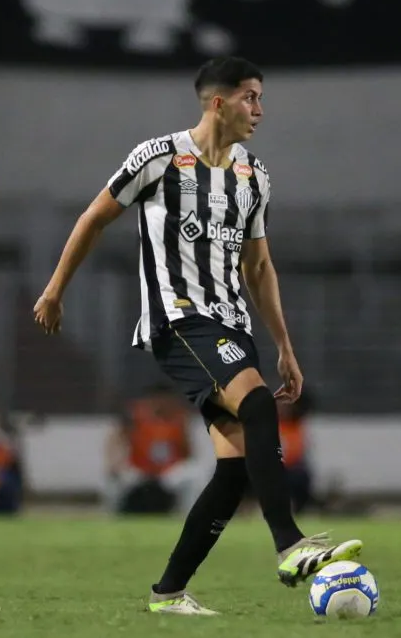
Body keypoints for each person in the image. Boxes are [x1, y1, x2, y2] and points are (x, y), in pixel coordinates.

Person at [33, 56, 363, 615]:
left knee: (234, 468)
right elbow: (93, 218)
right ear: (218, 102)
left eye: (260, 98)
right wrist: (54, 290)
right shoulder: (158, 157)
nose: (259, 110)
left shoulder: (253, 176)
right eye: (250, 97)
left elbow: (260, 267)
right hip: (179, 321)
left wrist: (284, 346)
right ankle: (290, 544)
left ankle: (168, 594)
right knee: (258, 405)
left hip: (232, 327)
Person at [104, 384, 200, 515]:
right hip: (139, 469)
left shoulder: (179, 418)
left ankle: (188, 516)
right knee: (114, 477)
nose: (162, 404)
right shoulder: (136, 415)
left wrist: (184, 462)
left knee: (195, 475)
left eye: (166, 400)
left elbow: (188, 451)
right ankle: (115, 514)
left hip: (167, 472)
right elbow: (116, 437)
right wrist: (115, 461)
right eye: (158, 400)